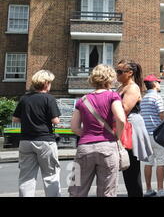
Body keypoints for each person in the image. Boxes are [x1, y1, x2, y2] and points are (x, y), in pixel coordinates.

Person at [68, 64, 126, 197]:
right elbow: (121, 119)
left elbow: (74, 127)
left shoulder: (82, 100)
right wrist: (117, 135)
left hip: (84, 149)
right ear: (110, 78)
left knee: (76, 190)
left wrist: (88, 135)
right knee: (107, 192)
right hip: (107, 147)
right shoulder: (113, 96)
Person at [12, 70, 61, 197]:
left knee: (26, 177)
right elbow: (55, 120)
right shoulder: (49, 99)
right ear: (46, 84)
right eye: (50, 83)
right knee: (51, 176)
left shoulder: (24, 98)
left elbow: (15, 119)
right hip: (45, 141)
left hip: (26, 141)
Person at [116, 59, 153, 197]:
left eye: (120, 72)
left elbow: (124, 109)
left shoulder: (133, 87)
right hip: (124, 126)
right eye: (117, 71)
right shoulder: (122, 86)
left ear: (130, 73)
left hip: (130, 127)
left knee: (131, 167)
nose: (117, 74)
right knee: (127, 168)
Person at [141, 74, 164, 197]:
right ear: (154, 84)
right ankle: (161, 189)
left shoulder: (143, 98)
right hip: (157, 135)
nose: (159, 84)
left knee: (148, 163)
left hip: (146, 136)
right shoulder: (157, 97)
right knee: (161, 162)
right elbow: (161, 115)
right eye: (158, 82)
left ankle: (148, 189)